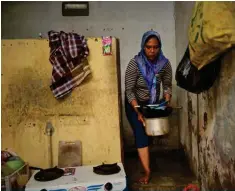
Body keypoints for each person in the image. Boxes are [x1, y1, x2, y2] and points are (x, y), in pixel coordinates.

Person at [124, 30, 172, 184]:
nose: (152, 50)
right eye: (148, 47)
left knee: (150, 132)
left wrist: (167, 98)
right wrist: (137, 111)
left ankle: (144, 158)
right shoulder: (135, 64)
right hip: (134, 103)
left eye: (155, 47)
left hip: (153, 104)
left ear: (160, 47)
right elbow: (129, 90)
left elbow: (167, 85)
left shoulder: (164, 64)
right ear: (143, 46)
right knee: (141, 132)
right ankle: (147, 171)